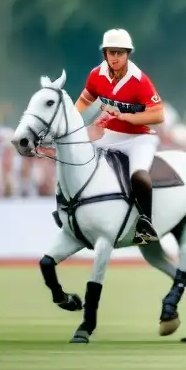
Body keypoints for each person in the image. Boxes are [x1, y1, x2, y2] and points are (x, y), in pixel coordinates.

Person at [75, 29, 163, 245]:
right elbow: (84, 102)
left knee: (139, 176)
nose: (115, 58)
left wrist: (125, 116)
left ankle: (145, 224)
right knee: (77, 158)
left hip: (139, 138)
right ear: (105, 54)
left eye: (120, 53)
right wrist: (70, 121)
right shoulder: (96, 75)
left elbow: (158, 115)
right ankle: (70, 208)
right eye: (111, 52)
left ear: (128, 54)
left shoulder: (139, 80)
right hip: (110, 135)